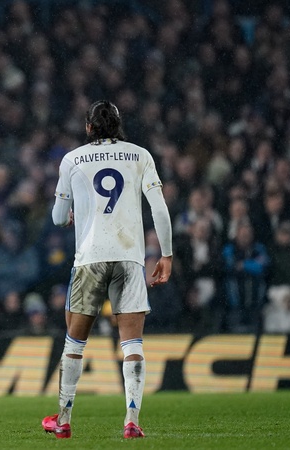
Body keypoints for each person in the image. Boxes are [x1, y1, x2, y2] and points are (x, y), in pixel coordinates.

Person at [41, 100, 173, 439]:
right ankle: (132, 420)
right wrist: (167, 254)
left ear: (88, 127)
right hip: (129, 257)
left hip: (89, 258)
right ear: (118, 124)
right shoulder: (140, 155)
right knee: (132, 344)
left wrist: (71, 216)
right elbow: (159, 208)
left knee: (74, 342)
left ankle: (64, 419)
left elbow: (58, 217)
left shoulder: (72, 159)